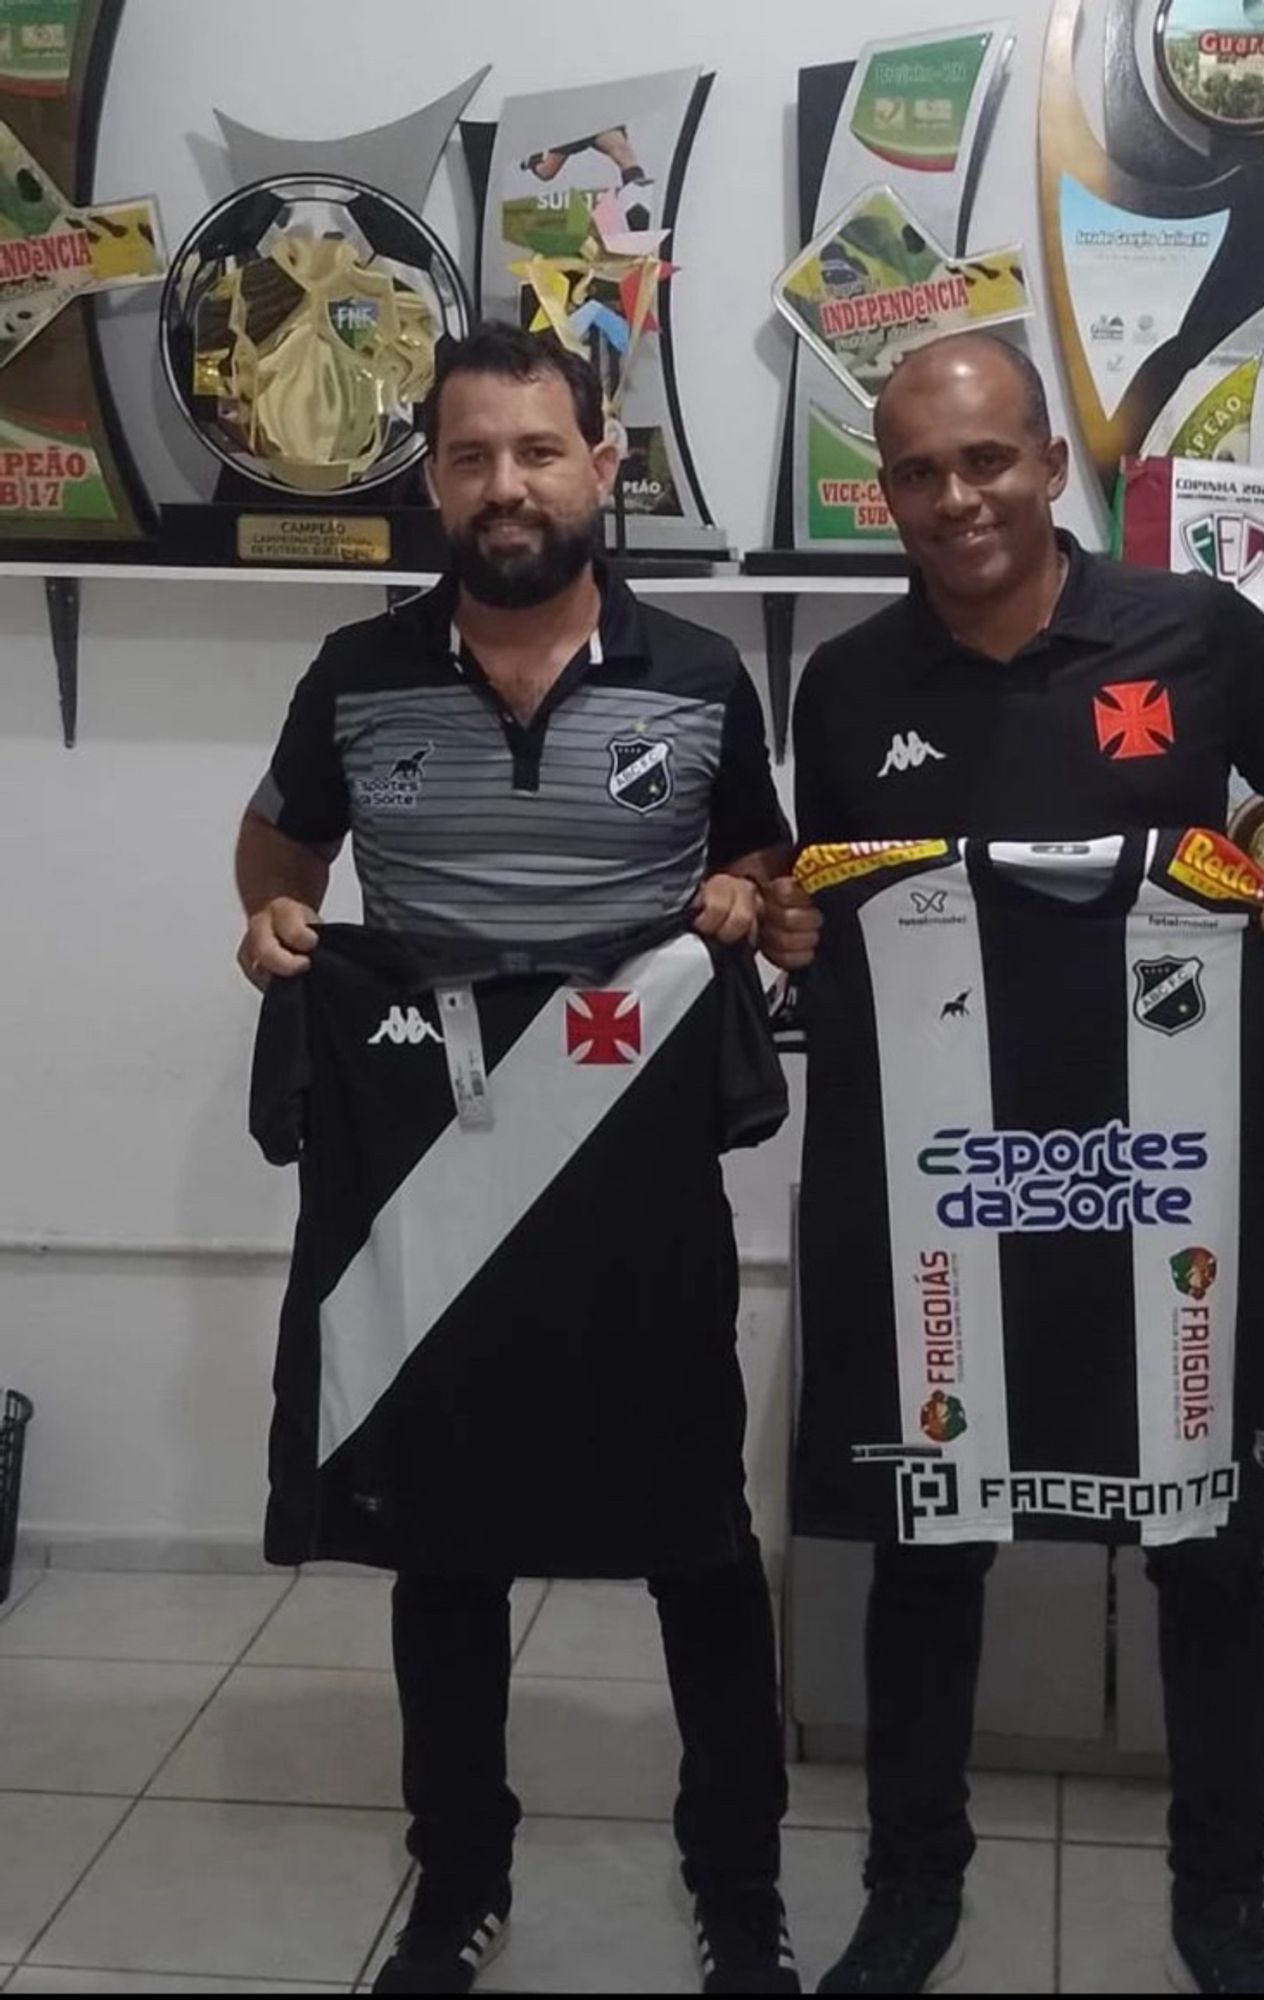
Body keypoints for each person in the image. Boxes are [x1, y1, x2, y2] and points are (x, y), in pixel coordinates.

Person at [759, 330, 1264, 1998]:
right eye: (916, 473)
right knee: (928, 1539)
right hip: (943, 1197)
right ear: (884, 495)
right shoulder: (847, 684)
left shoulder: (1190, 632)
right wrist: (791, 922)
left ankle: (1223, 1896)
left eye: (985, 461)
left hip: (1161, 1180)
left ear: (1048, 464)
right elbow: (817, 895)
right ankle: (910, 1886)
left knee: (1203, 1542)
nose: (955, 498)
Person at [235, 323, 797, 1997]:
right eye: (472, 456)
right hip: (438, 1170)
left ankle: (740, 1888)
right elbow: (279, 845)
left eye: (538, 451)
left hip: (635, 1177)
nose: (505, 486)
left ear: (601, 465)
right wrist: (274, 919)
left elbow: (765, 866)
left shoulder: (698, 673)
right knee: (448, 1540)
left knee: (697, 1537)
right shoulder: (355, 673)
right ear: (435, 478)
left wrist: (743, 897)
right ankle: (458, 1880)